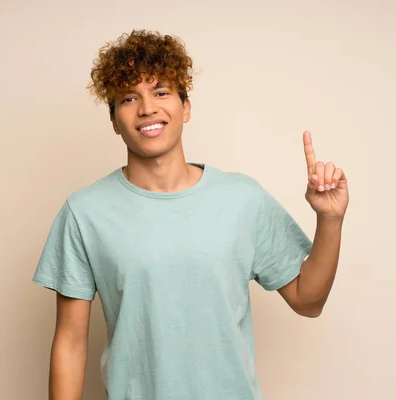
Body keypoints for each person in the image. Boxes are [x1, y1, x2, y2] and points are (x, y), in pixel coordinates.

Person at [32, 29, 349, 400]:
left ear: (186, 107)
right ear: (115, 121)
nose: (147, 108)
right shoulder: (85, 212)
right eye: (129, 97)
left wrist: (330, 219)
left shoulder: (242, 198)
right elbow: (70, 343)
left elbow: (308, 302)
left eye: (161, 91)